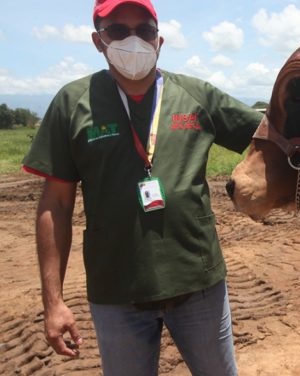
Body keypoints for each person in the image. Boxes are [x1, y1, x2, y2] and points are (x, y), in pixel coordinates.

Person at [21, 0, 263, 374]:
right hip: (117, 293)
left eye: (144, 30)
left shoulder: (196, 95)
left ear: (159, 40)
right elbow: (56, 204)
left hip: (199, 285)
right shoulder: (73, 103)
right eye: (118, 30)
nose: (133, 40)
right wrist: (53, 302)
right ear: (98, 41)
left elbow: (270, 137)